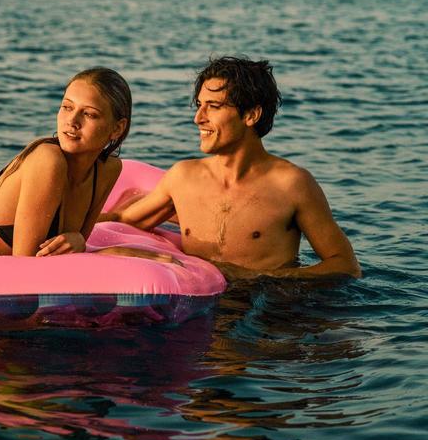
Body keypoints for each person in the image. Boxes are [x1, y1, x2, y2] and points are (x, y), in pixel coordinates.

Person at [100, 56, 361, 279]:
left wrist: (261, 278)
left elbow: (345, 265)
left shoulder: (291, 185)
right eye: (199, 105)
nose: (198, 118)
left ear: (251, 115)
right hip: (201, 302)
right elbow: (124, 220)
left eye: (213, 107)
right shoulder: (183, 178)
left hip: (268, 310)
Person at [0, 67, 131, 272]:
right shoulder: (47, 161)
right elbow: (25, 270)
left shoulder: (108, 170)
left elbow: (75, 244)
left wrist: (79, 241)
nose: (72, 121)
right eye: (67, 107)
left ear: (117, 128)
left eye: (89, 114)